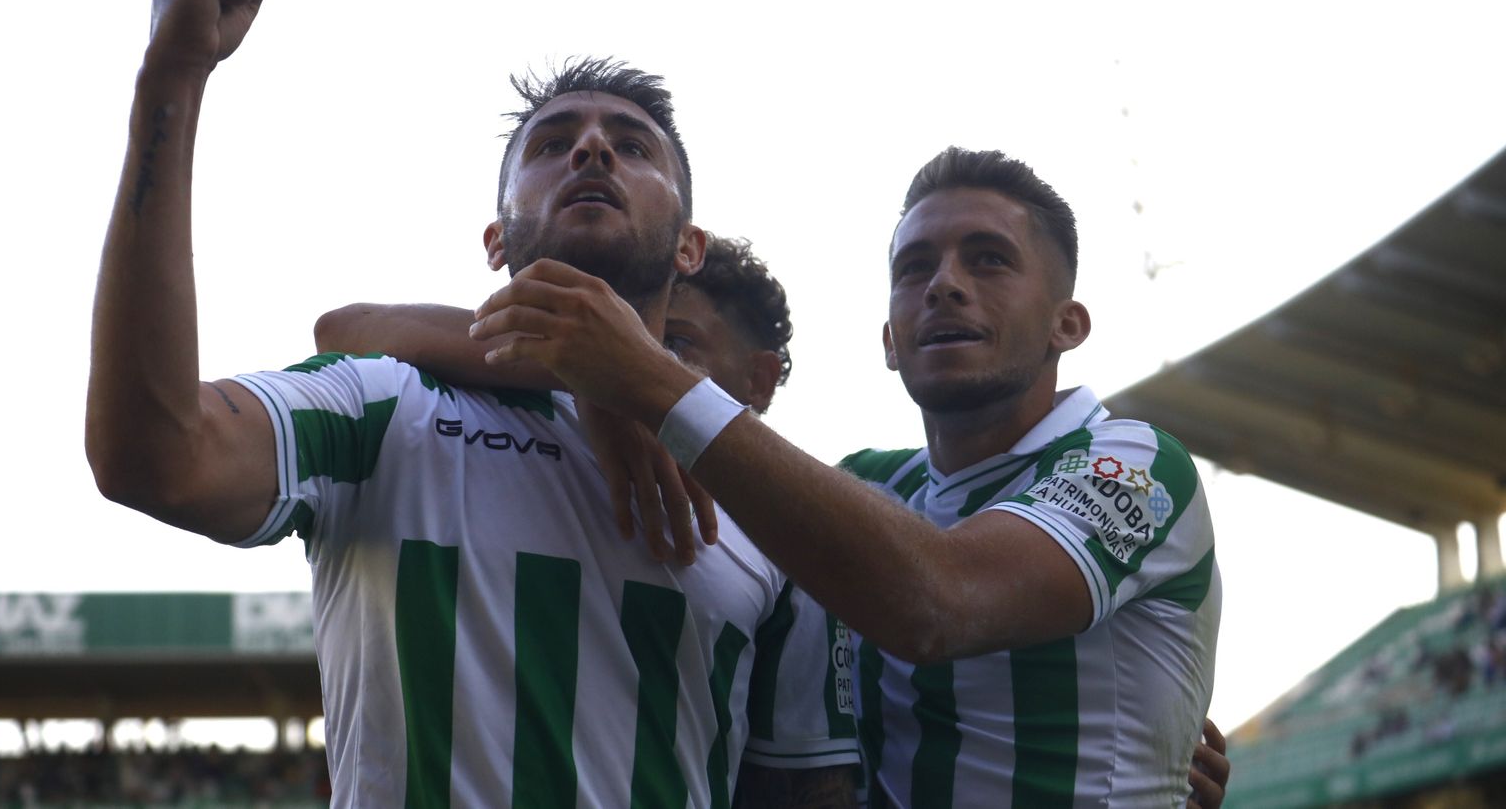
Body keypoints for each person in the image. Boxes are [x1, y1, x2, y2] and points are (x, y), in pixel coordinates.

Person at [85, 0, 856, 807]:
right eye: (552, 141)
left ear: (689, 247)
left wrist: (627, 382)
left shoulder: (763, 501)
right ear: (497, 239)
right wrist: (172, 81)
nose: (593, 149)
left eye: (633, 145)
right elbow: (153, 456)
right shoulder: (388, 407)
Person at [331, 230, 1231, 807]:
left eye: (988, 260)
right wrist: (587, 375)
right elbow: (350, 326)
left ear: (1067, 321)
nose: (946, 287)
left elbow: (939, 598)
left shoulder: (1133, 459)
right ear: (887, 339)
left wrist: (630, 376)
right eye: (915, 268)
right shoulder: (846, 500)